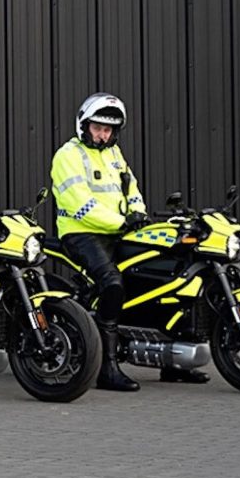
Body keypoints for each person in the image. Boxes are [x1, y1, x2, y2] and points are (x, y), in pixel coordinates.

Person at [51, 92, 205, 391]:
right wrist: (122, 222)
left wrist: (138, 212)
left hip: (118, 231)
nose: (103, 134)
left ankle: (173, 362)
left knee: (159, 278)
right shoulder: (67, 155)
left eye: (108, 129)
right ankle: (106, 369)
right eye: (98, 127)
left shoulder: (114, 154)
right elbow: (79, 204)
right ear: (84, 124)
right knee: (112, 284)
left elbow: (131, 188)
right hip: (81, 234)